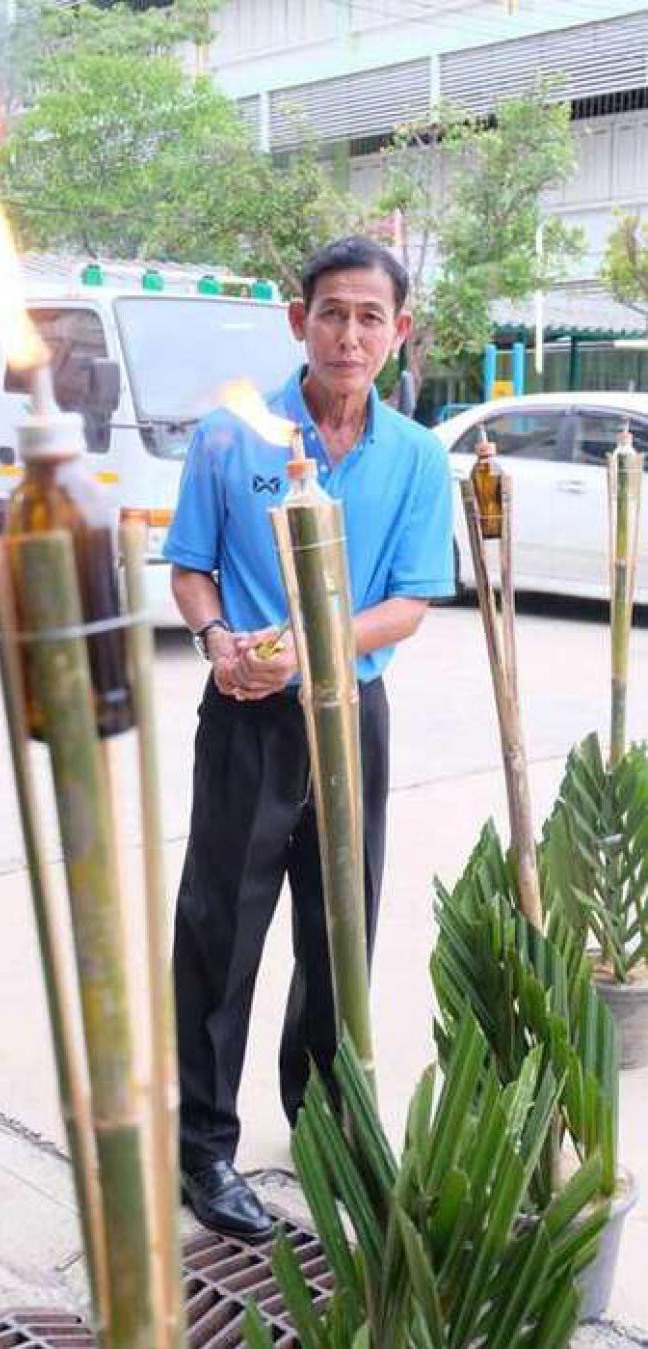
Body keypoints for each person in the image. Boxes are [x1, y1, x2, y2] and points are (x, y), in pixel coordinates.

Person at [164, 236, 455, 1242]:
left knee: (339, 929)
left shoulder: (417, 456)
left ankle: (323, 1122)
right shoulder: (230, 436)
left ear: (398, 332)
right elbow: (190, 566)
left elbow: (409, 602)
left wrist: (314, 647)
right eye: (333, 313)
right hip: (246, 712)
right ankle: (203, 1147)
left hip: (349, 716)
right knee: (221, 931)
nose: (350, 335)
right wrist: (219, 641)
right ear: (300, 321)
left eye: (371, 317)